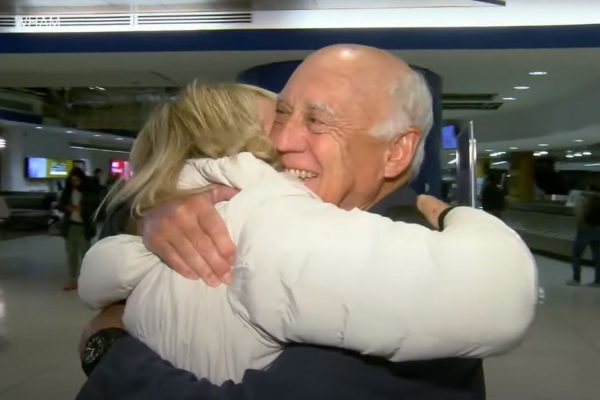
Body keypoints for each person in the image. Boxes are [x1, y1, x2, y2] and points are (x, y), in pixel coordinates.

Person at [77, 45, 536, 399]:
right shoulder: (279, 223)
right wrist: (158, 216)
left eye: (317, 121)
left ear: (396, 151)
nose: (282, 140)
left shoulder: (416, 267)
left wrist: (110, 343)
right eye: (281, 114)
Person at [57, 167, 99, 291]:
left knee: (86, 255)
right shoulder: (67, 192)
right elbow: (60, 205)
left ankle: (87, 280)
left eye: (77, 180)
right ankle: (72, 280)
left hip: (84, 227)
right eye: (73, 180)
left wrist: (84, 209)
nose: (75, 183)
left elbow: (95, 209)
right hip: (71, 226)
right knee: (71, 255)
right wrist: (68, 208)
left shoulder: (89, 192)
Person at [568, 180, 600, 287]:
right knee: (598, 257)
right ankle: (597, 282)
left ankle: (576, 279)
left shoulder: (582, 198)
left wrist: (580, 227)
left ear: (587, 188)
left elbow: (578, 214)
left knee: (576, 255)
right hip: (598, 231)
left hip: (584, 231)